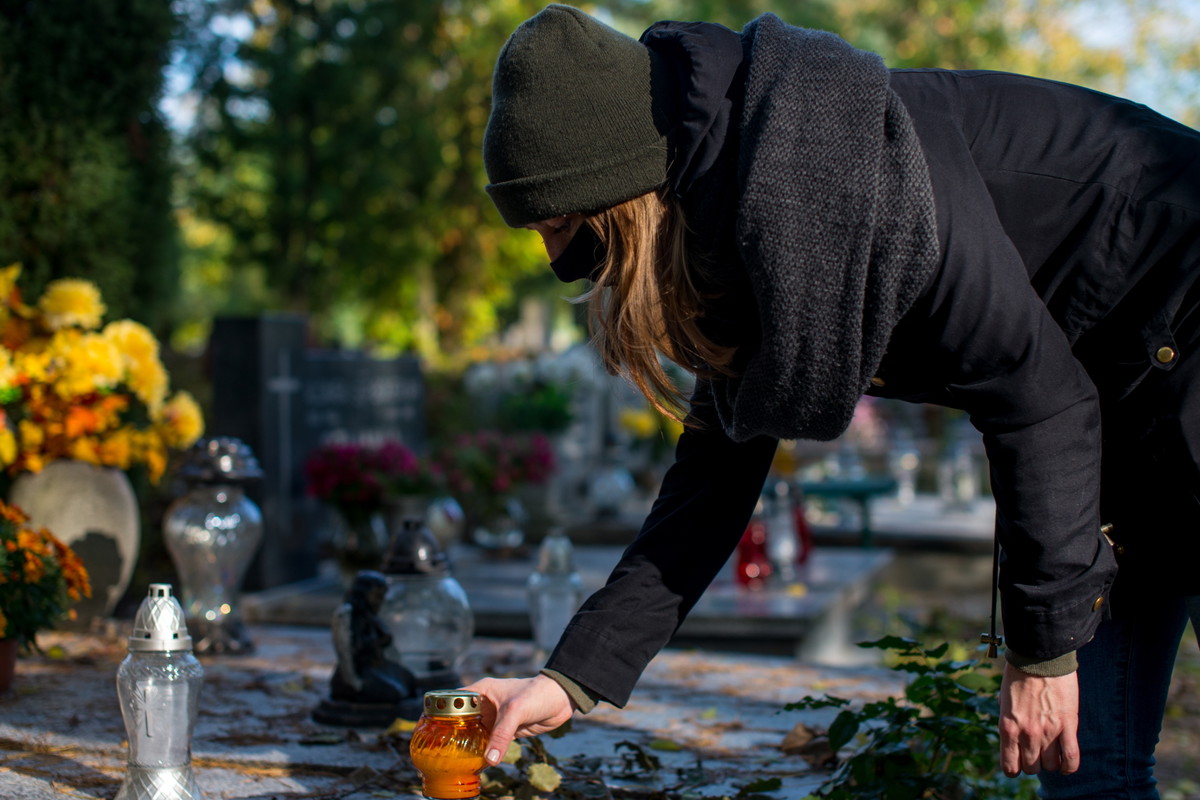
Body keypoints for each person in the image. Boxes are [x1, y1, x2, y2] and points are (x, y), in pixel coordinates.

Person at [465, 5, 1200, 796]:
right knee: (1086, 773)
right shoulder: (729, 220)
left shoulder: (837, 173)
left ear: (623, 197)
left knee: (1067, 715)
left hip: (1181, 322)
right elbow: (712, 481)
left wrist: (1041, 651)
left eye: (563, 225)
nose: (563, 264)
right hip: (1105, 397)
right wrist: (570, 678)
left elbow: (1039, 400)